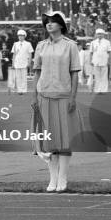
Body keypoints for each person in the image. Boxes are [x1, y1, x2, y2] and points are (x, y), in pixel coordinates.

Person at [32, 11, 81, 193]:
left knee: (64, 139)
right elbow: (37, 72)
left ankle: (63, 178)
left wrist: (73, 97)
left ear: (61, 25)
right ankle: (52, 178)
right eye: (47, 22)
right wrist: (34, 96)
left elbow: (75, 73)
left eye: (53, 22)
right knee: (48, 142)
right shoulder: (41, 46)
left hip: (63, 96)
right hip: (44, 96)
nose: (49, 24)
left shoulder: (70, 46)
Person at [11, 30, 34, 94]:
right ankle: (19, 90)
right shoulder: (15, 44)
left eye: (22, 36)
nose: (20, 37)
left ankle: (24, 90)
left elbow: (30, 53)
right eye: (19, 36)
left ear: (24, 36)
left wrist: (29, 62)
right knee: (18, 77)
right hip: (17, 62)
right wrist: (13, 63)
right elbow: (14, 54)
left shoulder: (28, 44)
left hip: (24, 62)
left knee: (23, 77)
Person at [90, 28, 111, 93]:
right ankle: (97, 90)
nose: (99, 35)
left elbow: (109, 52)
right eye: (98, 34)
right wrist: (90, 60)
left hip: (104, 61)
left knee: (104, 76)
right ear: (96, 35)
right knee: (97, 76)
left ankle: (104, 90)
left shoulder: (107, 42)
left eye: (101, 34)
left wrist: (109, 61)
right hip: (95, 61)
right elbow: (91, 52)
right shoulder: (93, 42)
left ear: (103, 35)